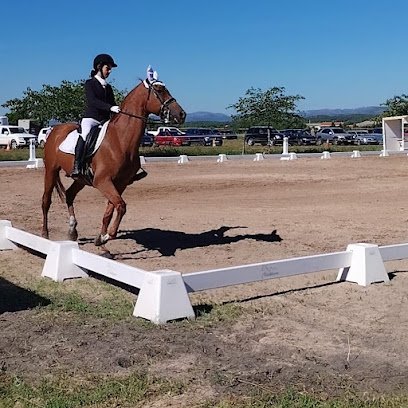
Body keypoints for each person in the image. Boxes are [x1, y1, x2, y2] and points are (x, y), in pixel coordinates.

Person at [71, 53, 121, 177]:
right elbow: (93, 101)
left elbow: (112, 103)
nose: (109, 71)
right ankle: (77, 166)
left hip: (104, 120)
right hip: (91, 118)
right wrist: (110, 107)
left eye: (110, 69)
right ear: (99, 67)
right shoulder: (90, 83)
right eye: (107, 68)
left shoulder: (108, 87)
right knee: (85, 134)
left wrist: (118, 109)